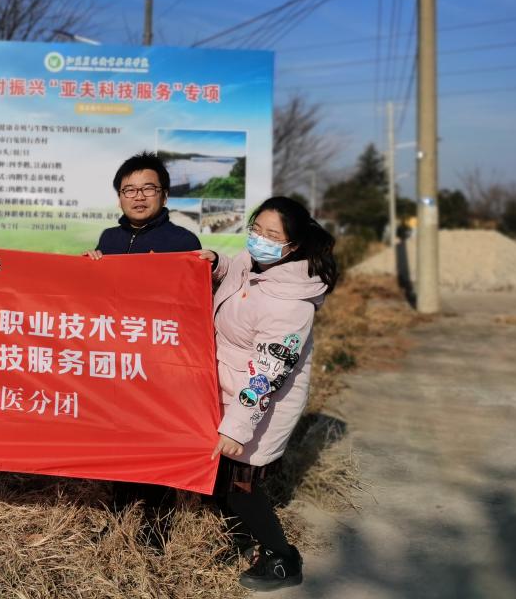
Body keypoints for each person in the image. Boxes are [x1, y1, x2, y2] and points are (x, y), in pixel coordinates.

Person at [199, 196, 337, 591]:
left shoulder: (292, 306)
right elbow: (238, 276)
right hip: (227, 385)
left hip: (258, 402)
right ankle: (243, 538)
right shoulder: (253, 263)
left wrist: (237, 428)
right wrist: (217, 263)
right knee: (222, 478)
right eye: (256, 229)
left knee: (240, 486)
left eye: (272, 235)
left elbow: (267, 375)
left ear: (293, 246)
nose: (259, 239)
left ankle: (281, 557)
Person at [85, 151, 201, 548]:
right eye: (129, 190)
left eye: (147, 188)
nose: (138, 197)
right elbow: (95, 301)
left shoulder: (183, 242)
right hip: (116, 361)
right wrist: (88, 269)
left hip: (159, 363)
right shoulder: (109, 239)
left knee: (158, 442)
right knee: (117, 439)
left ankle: (156, 525)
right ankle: (118, 514)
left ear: (164, 195)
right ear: (119, 196)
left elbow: (190, 307)